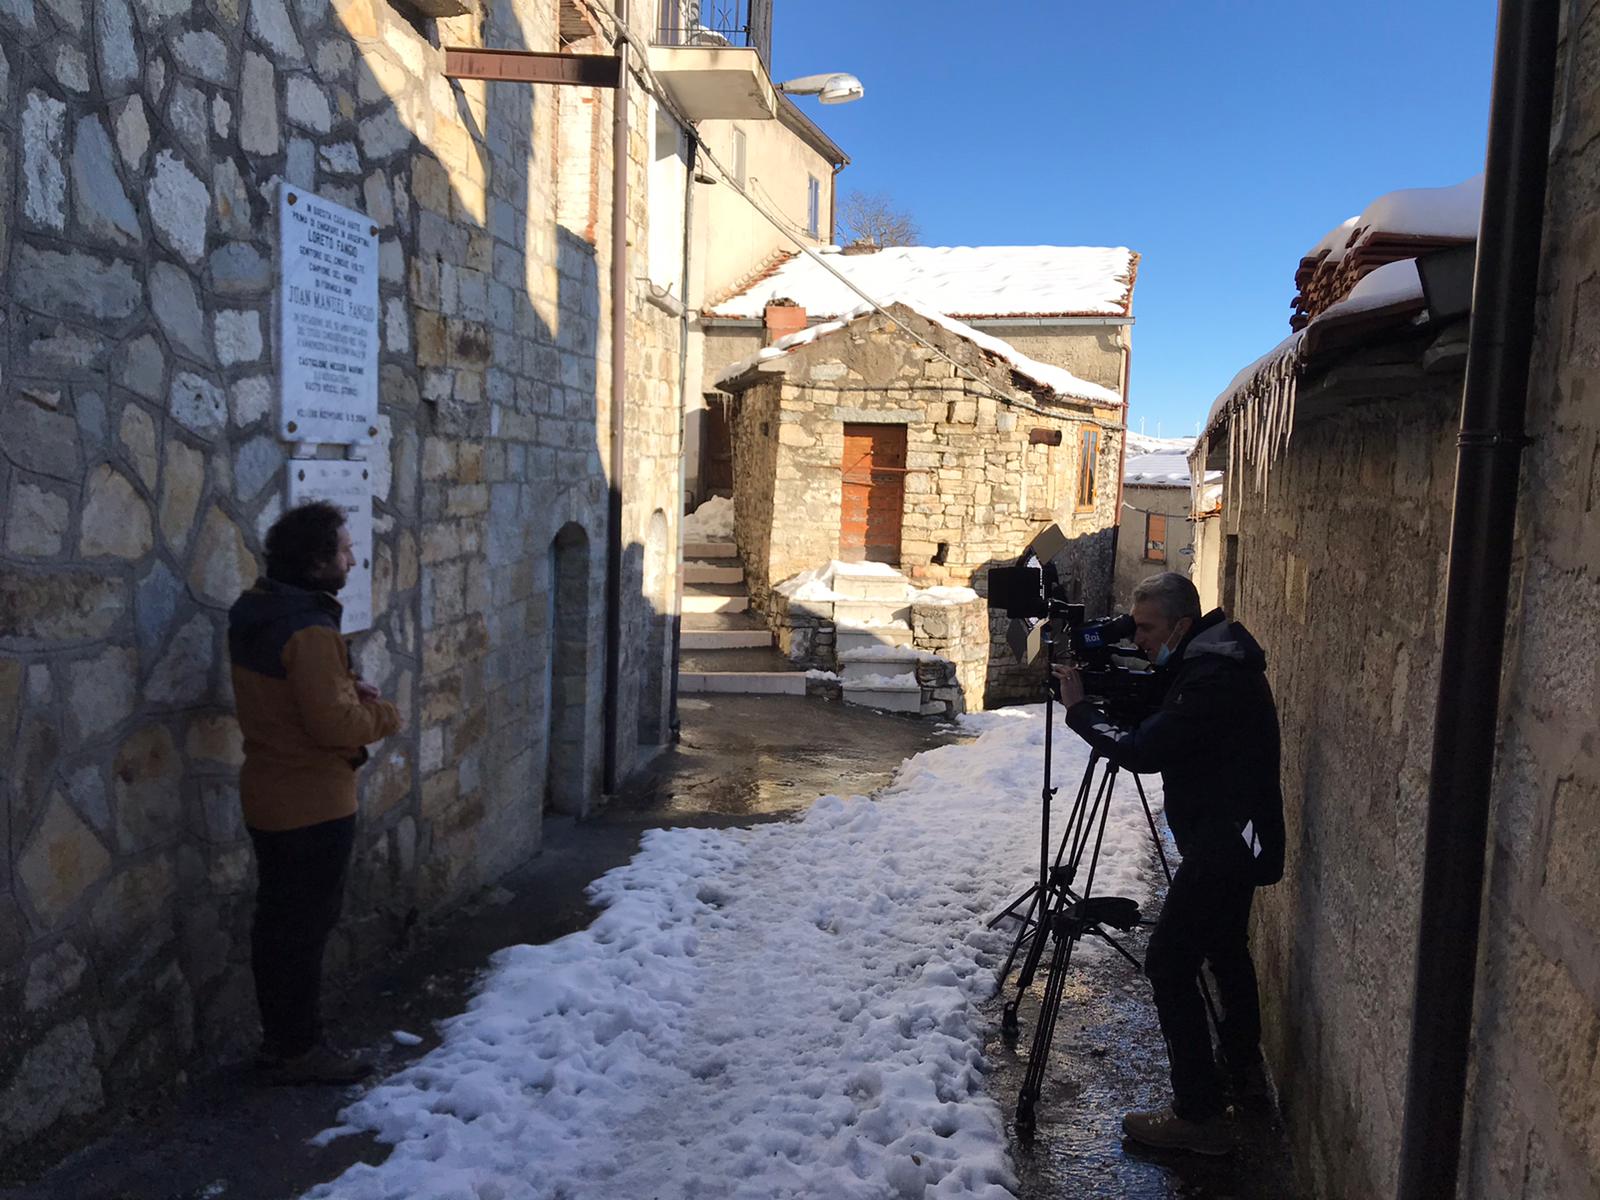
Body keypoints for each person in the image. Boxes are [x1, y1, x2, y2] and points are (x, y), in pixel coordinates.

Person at [1054, 571, 1284, 1157]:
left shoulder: (1211, 678)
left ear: (1182, 624)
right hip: (1237, 837)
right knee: (1227, 950)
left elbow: (1144, 752)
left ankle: (1197, 1116)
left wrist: (1081, 713)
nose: (1140, 640)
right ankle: (1241, 1070)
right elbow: (1165, 718)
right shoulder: (1210, 659)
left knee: (1169, 963)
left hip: (1224, 843)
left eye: (1148, 628)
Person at [229, 501, 401, 1085]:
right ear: (316, 562)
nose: (353, 558)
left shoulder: (258, 609)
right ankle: (297, 1049)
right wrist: (385, 716)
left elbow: (293, 699)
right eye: (344, 550)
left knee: (278, 926)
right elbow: (334, 727)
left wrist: (347, 688)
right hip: (311, 805)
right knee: (301, 931)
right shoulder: (307, 630)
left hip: (270, 794)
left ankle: (284, 1041)